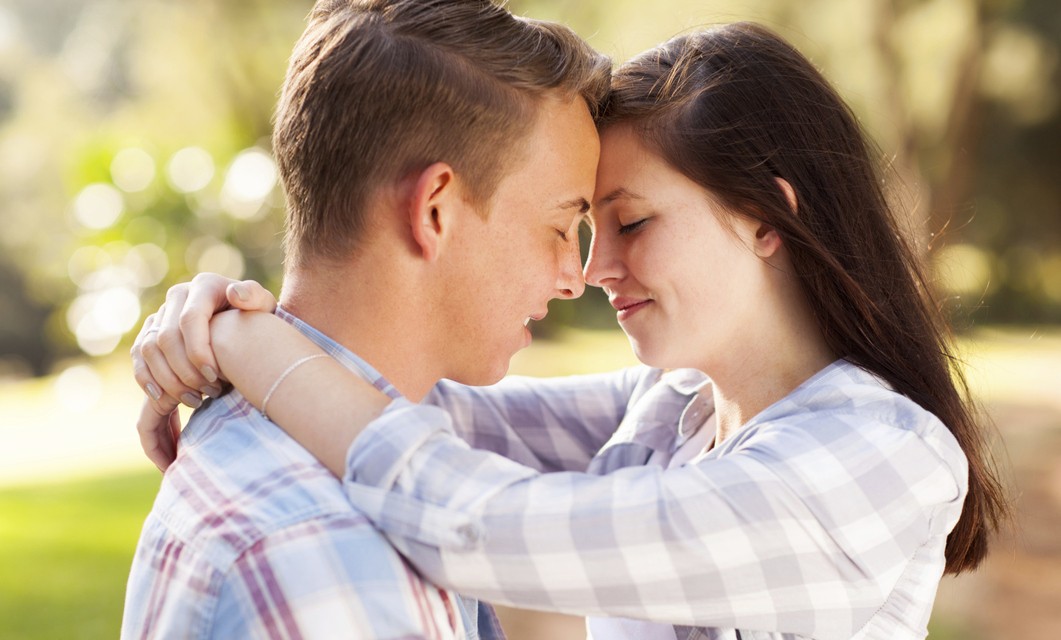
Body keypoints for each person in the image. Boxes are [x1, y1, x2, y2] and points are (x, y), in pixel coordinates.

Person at [134, 22, 1009, 640]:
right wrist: (216, 316)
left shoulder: (878, 458)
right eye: (577, 224)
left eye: (629, 224)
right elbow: (402, 401)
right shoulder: (678, 410)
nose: (589, 271)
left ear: (764, 220)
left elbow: (476, 521)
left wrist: (247, 344)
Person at [121, 0, 612, 637]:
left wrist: (233, 333)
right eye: (560, 227)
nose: (575, 277)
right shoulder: (328, 563)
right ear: (435, 211)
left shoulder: (362, 437)